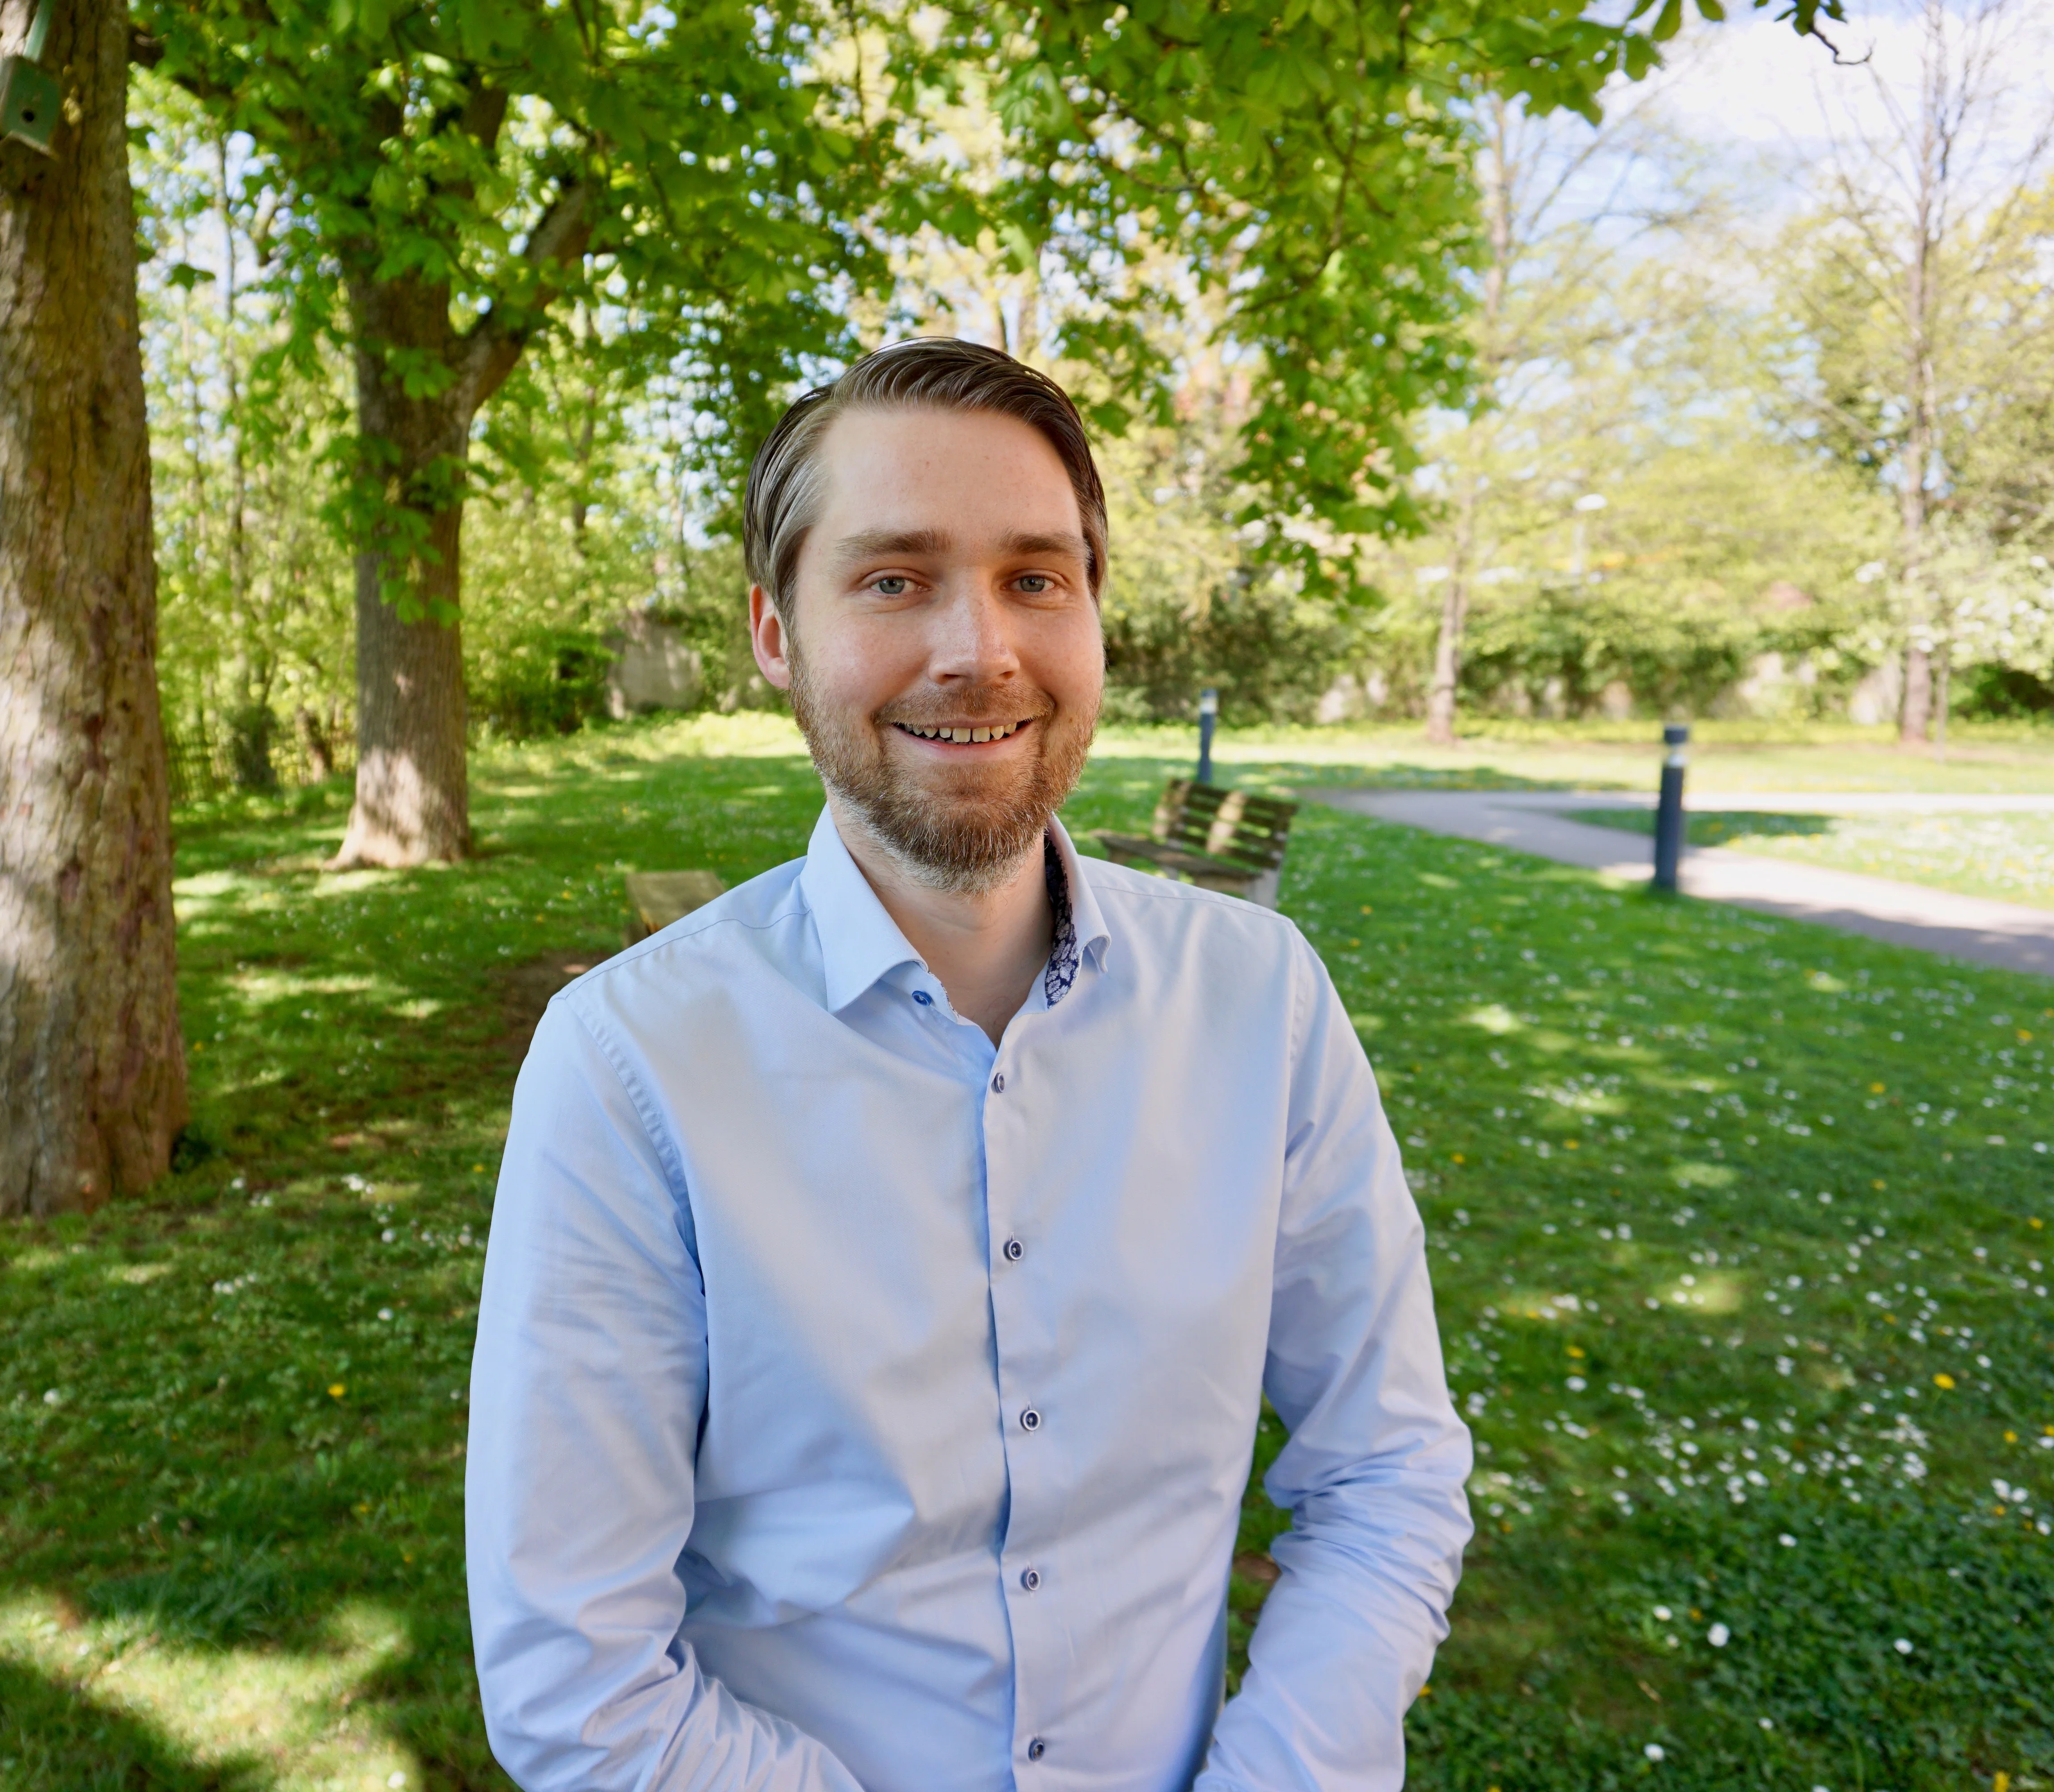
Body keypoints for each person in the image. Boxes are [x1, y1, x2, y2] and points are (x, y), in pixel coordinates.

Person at [465, 336, 1471, 1790]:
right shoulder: (632, 1067)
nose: (979, 650)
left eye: (1035, 578)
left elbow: (1388, 1471)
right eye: (894, 580)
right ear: (775, 634)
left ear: (1095, 613)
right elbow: (579, 1679)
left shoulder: (1264, 1005)